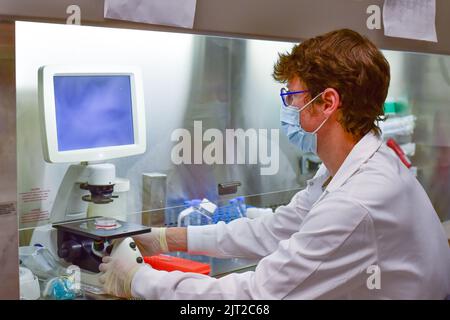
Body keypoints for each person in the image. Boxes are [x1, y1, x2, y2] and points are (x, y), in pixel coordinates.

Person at [99, 29, 450, 299]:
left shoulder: (357, 200)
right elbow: (275, 229)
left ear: (327, 102)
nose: (288, 107)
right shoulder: (355, 166)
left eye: (292, 96)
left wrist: (139, 280)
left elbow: (256, 297)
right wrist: (166, 238)